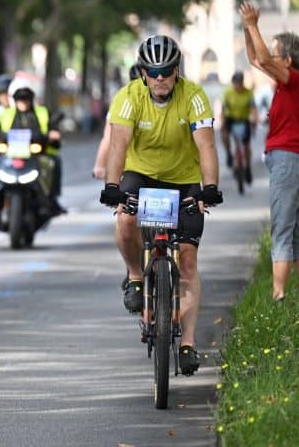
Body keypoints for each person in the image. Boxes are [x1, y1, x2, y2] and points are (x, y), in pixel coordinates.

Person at [99, 34, 223, 376]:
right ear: (142, 73)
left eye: (166, 71)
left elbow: (207, 147)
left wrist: (209, 187)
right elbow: (118, 146)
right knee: (125, 221)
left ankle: (187, 344)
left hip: (183, 178)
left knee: (187, 259)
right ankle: (137, 275)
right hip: (140, 173)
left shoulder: (194, 96)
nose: (159, 79)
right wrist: (112, 186)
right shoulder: (128, 97)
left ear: (176, 71)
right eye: (152, 72)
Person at [239, 1, 299, 302]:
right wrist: (246, 29)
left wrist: (253, 25)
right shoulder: (285, 84)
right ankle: (289, 295)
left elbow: (262, 57)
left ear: (287, 59)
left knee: (283, 226)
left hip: (288, 158)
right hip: (286, 158)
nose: (269, 59)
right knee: (293, 228)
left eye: (276, 54)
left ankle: (278, 295)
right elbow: (256, 58)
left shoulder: (294, 79)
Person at [0, 83, 63, 218]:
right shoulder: (7, 114)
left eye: (26, 100)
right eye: (20, 100)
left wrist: (53, 134)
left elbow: (52, 127)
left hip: (37, 154)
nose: (23, 103)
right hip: (11, 155)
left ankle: (52, 200)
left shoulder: (42, 112)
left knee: (55, 163)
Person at [92, 64, 142, 179]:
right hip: (130, 169)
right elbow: (109, 137)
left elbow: (108, 137)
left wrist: (100, 165)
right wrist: (100, 165)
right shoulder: (122, 100)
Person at [220, 71, 258, 183]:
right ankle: (228, 153)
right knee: (224, 134)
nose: (238, 86)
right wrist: (222, 122)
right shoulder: (228, 93)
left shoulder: (248, 93)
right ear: (233, 83)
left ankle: (248, 167)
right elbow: (223, 110)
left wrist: (254, 121)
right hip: (231, 118)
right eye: (236, 84)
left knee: (246, 145)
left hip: (244, 119)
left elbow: (253, 109)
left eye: (240, 83)